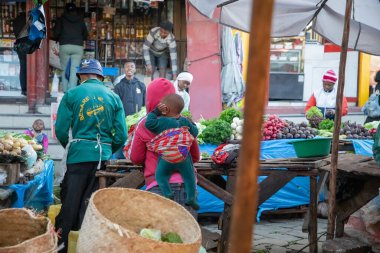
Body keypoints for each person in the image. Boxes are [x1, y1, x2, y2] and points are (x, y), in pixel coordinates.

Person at [54, 59, 127, 253]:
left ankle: (61, 249)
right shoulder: (113, 96)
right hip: (103, 159)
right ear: (100, 76)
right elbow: (122, 135)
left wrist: (72, 146)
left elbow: (61, 130)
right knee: (94, 208)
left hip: (78, 157)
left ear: (81, 76)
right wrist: (108, 148)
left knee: (68, 208)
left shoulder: (72, 94)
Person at [129, 78, 200, 218]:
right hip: (187, 184)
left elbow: (136, 158)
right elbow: (196, 156)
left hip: (158, 186)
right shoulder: (184, 122)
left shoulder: (145, 124)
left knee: (162, 236)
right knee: (187, 234)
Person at [145, 94, 199, 210]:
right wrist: (191, 123)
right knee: (189, 177)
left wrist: (155, 112)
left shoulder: (162, 122)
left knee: (160, 175)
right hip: (183, 158)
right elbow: (194, 133)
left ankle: (167, 192)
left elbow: (149, 123)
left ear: (165, 110)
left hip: (166, 159)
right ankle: (191, 197)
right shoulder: (185, 121)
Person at [113, 60, 146, 159]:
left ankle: (134, 163)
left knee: (135, 144)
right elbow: (116, 105)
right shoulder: (119, 86)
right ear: (124, 69)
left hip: (137, 122)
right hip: (124, 122)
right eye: (127, 67)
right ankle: (120, 164)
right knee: (122, 142)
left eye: (132, 66)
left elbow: (145, 104)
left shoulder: (141, 85)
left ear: (135, 69)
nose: (129, 68)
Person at [54, 3, 88, 92]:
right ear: (75, 10)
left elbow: (56, 33)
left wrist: (59, 38)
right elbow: (85, 34)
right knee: (74, 70)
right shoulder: (80, 20)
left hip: (64, 45)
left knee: (64, 69)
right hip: (77, 46)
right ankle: (72, 92)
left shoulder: (61, 19)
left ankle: (65, 91)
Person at [12, 11, 27, 96]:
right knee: (31, 67)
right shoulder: (29, 19)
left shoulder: (16, 20)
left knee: (23, 67)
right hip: (29, 45)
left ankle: (24, 89)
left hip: (19, 45)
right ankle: (31, 88)